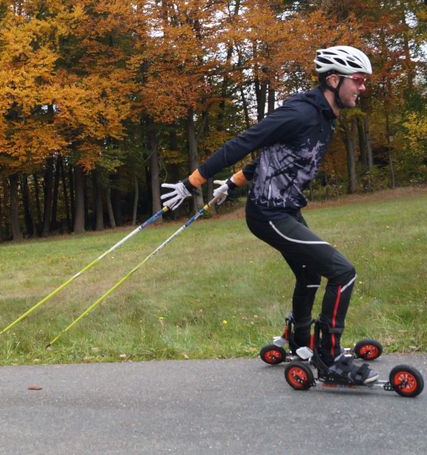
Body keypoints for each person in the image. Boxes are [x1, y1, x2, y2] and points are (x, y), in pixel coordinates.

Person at [160, 45, 377, 384]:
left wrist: (231, 184)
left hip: (287, 209)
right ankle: (329, 356)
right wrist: (193, 183)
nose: (362, 88)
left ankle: (299, 340)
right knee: (342, 272)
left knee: (309, 272)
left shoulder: (324, 117)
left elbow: (273, 158)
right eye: (359, 81)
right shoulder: (300, 113)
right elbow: (244, 142)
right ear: (334, 80)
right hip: (268, 214)